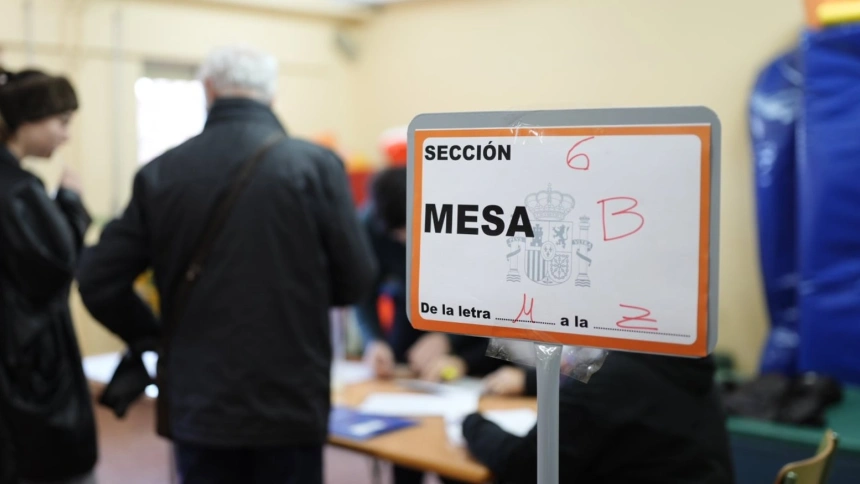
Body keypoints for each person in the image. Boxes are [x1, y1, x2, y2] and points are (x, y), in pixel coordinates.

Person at [75, 45, 376, 484]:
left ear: (208, 90)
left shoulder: (162, 172)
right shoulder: (316, 166)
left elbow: (99, 279)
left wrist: (152, 333)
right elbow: (356, 282)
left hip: (201, 397)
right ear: (272, 96)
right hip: (290, 397)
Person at [356, 166, 503, 484]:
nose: (405, 240)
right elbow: (363, 290)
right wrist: (373, 340)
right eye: (398, 234)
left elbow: (491, 299)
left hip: (470, 335)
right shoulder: (370, 223)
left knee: (458, 456)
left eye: (411, 229)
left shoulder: (466, 218)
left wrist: (447, 338)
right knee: (406, 445)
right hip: (408, 326)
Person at [0, 68, 97, 483]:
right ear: (27, 119)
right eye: (61, 122)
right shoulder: (18, 190)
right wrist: (71, 205)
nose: (66, 135)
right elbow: (55, 267)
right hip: (27, 363)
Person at [464, 353, 735, 483]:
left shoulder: (610, 380)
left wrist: (471, 422)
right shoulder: (679, 360)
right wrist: (531, 380)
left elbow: (524, 466)